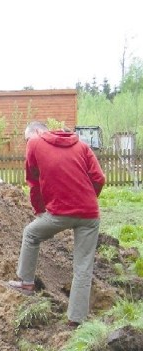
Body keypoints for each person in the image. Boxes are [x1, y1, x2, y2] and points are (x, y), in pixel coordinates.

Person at [7, 121, 106, 328]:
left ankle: (26, 283)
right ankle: (75, 320)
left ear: (35, 132)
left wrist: (40, 210)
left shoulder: (34, 144)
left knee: (31, 234)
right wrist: (87, 199)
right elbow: (99, 178)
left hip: (59, 212)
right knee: (83, 267)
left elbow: (33, 182)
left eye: (26, 138)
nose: (27, 143)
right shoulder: (81, 146)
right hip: (89, 214)